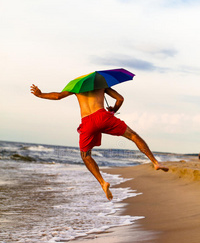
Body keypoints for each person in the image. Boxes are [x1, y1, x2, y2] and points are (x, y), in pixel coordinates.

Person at [30, 84, 169, 200]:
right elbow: (120, 99)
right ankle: (155, 162)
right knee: (133, 136)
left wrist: (40, 94)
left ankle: (103, 182)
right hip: (103, 116)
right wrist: (114, 110)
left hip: (87, 121)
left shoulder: (76, 86)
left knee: (86, 155)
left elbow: (57, 96)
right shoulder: (101, 83)